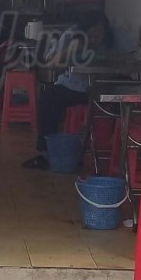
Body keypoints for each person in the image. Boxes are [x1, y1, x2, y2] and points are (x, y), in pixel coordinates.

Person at [22, 12, 111, 169]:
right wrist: (70, 50)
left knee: (122, 101)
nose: (94, 40)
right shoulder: (71, 35)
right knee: (48, 99)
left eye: (99, 36)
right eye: (90, 36)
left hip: (102, 87)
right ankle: (45, 152)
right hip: (73, 86)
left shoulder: (113, 39)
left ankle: (114, 150)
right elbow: (50, 63)